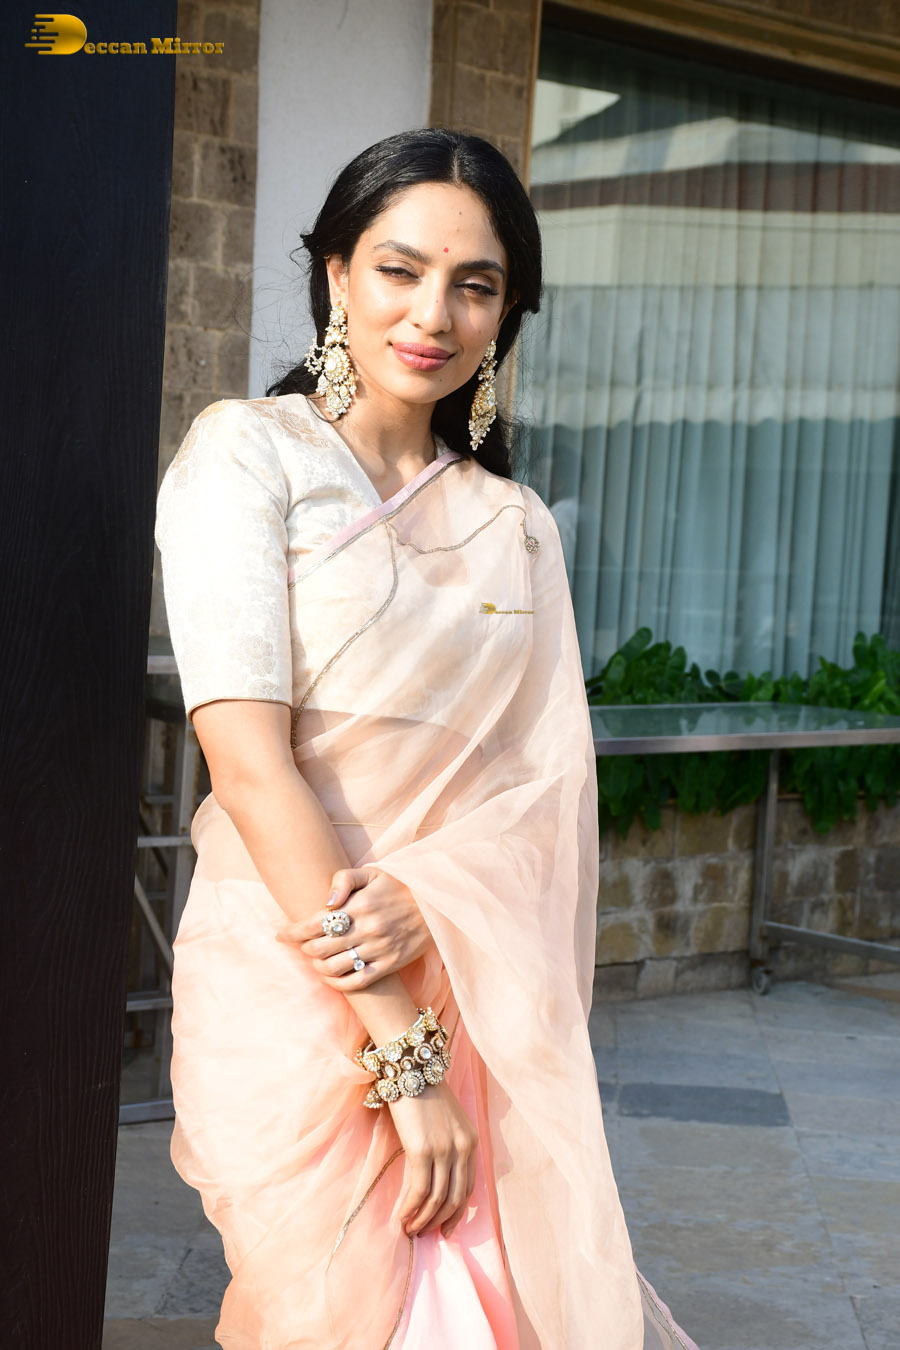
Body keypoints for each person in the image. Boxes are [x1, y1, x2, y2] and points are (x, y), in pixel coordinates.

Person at [154, 127, 698, 1350]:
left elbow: (543, 793)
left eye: (476, 285)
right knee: (329, 1310)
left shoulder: (516, 525)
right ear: (338, 273)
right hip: (291, 976)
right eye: (400, 269)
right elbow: (248, 764)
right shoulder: (248, 454)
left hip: (463, 979)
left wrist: (430, 896)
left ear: (508, 313)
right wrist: (408, 1063)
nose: (434, 314)